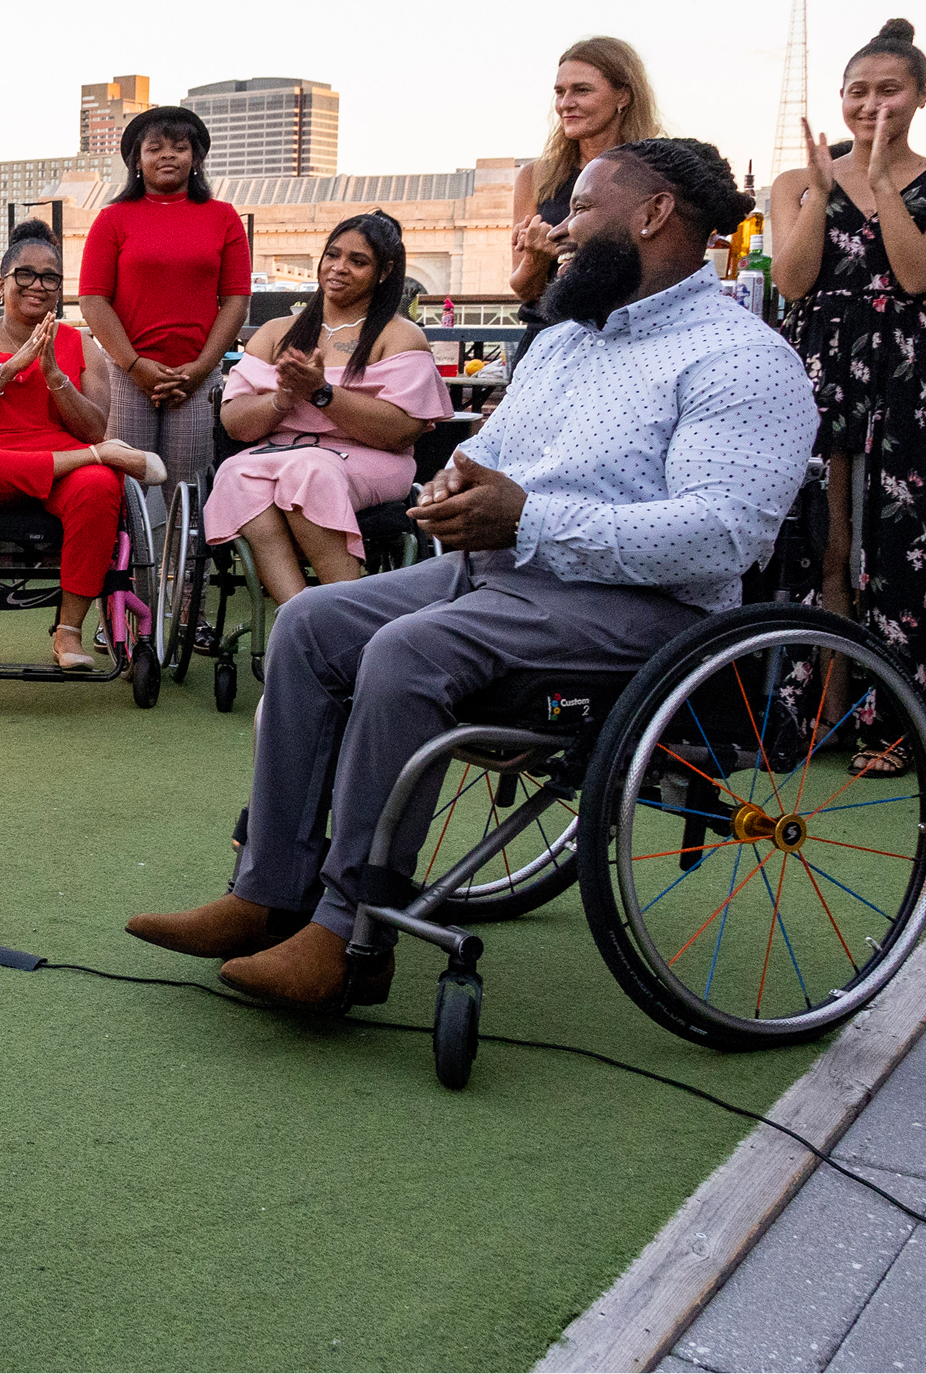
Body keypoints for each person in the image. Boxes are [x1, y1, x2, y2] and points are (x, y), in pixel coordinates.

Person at [126, 141, 815, 1009]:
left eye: (583, 212)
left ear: (652, 215)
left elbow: (722, 537)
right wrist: (456, 483)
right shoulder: (567, 340)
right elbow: (492, 449)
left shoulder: (741, 359)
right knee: (313, 623)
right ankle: (268, 895)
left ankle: (351, 936)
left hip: (643, 613)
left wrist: (529, 518)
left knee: (409, 652)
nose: (561, 233)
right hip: (501, 573)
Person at [771, 18, 926, 773]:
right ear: (839, 98)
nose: (872, 104)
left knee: (898, 548)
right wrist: (823, 193)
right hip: (815, 360)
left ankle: (895, 725)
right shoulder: (792, 182)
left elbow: (917, 277)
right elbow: (790, 281)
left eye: (890, 90)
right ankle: (818, 711)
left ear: (921, 95)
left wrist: (881, 183)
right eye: (858, 92)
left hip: (901, 368)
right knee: (824, 543)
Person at [0, 220, 158, 668]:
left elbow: (94, 426)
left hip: (65, 471)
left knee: (100, 484)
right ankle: (96, 461)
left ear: (59, 288)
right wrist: (9, 368)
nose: (38, 285)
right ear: (3, 283)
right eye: (25, 275)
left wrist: (56, 379)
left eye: (49, 277)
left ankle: (69, 632)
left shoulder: (82, 345)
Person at [205, 212, 449, 605]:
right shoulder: (275, 332)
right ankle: (296, 615)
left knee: (310, 470)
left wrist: (321, 393)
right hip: (278, 456)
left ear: (384, 271)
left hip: (369, 460)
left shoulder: (400, 335)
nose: (339, 268)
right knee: (235, 474)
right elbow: (234, 424)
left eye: (358, 261)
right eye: (332, 255)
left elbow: (401, 430)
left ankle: (345, 613)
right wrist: (282, 399)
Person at [79, 105, 251, 499]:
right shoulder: (112, 219)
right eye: (154, 148)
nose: (168, 155)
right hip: (126, 374)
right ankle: (131, 563)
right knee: (128, 488)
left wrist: (200, 369)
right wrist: (135, 365)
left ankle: (185, 563)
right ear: (137, 161)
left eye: (179, 147)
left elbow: (236, 302)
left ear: (196, 159)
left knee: (187, 491)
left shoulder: (223, 217)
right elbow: (92, 301)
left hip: (196, 375)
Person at [507, 36, 664, 334]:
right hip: (547, 342)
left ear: (623, 96)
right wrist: (536, 259)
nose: (566, 104)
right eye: (560, 92)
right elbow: (524, 290)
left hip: (630, 339)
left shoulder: (656, 172)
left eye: (582, 90)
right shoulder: (536, 177)